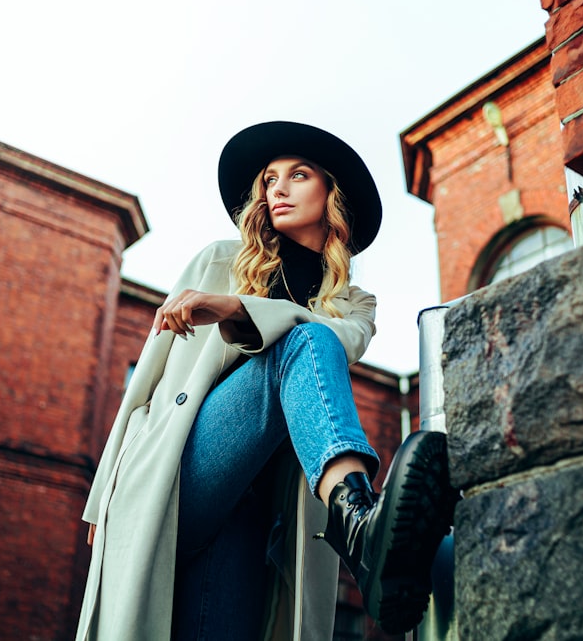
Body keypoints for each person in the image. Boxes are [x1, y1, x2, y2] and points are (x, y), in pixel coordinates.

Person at [75, 121, 456, 641]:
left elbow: (339, 340)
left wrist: (235, 309)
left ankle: (363, 534)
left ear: (331, 194)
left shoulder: (353, 304)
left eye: (298, 175)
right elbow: (147, 384)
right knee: (303, 343)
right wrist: (102, 497)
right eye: (270, 178)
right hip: (182, 473)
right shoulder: (219, 261)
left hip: (252, 511)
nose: (277, 187)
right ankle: (358, 525)